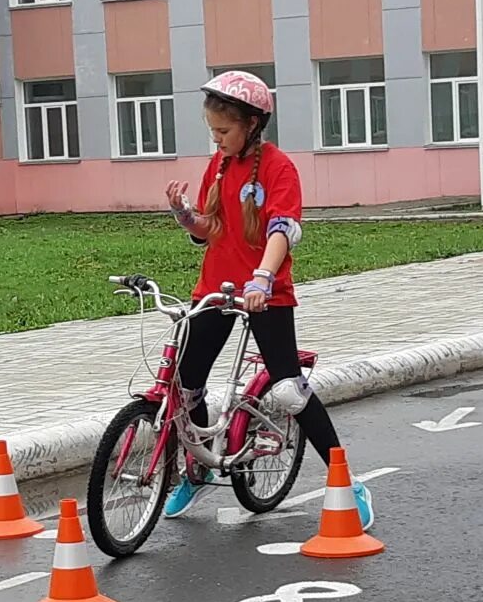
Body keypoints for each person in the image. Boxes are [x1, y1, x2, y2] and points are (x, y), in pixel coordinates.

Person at [161, 70, 375, 527]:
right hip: (217, 289)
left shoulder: (279, 168)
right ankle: (197, 470)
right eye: (212, 131)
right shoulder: (218, 167)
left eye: (224, 131)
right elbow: (214, 230)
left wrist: (262, 279)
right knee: (186, 381)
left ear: (252, 125)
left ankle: (346, 481)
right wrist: (185, 217)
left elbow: (283, 229)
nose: (216, 140)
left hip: (265, 291)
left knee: (289, 391)